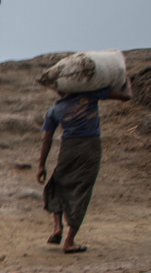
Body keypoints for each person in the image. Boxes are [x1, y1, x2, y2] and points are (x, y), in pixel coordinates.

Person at [38, 74, 135, 253]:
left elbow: (47, 140)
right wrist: (126, 80)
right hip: (90, 148)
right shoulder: (90, 96)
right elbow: (126, 96)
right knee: (82, 191)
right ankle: (69, 241)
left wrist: (41, 166)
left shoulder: (54, 110)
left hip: (68, 149)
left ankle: (57, 226)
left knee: (57, 184)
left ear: (59, 91)